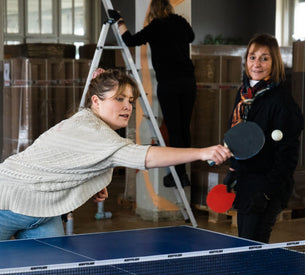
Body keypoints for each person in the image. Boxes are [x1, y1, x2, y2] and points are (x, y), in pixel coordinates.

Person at [0, 68, 230, 240]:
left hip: (43, 211)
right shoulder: (95, 131)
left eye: (130, 100)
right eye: (119, 99)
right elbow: (146, 157)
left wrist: (87, 182)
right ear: (95, 102)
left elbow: (64, 162)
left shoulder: (85, 121)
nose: (128, 106)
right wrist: (201, 152)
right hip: (6, 202)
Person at [223, 33, 304, 243]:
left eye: (264, 58)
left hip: (267, 186)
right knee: (245, 243)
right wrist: (233, 170)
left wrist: (267, 193)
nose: (256, 63)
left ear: (274, 62)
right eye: (252, 57)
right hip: (246, 181)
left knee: (252, 246)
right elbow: (239, 138)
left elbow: (288, 155)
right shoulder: (244, 95)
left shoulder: (282, 102)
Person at [110, 0, 196, 187]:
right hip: (189, 82)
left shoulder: (156, 26)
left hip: (169, 84)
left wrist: (120, 21)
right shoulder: (180, 22)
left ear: (154, 11)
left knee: (174, 130)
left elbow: (130, 41)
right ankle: (183, 174)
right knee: (184, 128)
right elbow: (191, 37)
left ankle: (178, 175)